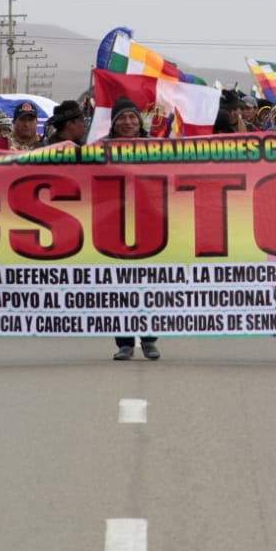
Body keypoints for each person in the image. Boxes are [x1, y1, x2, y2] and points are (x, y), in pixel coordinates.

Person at [104, 96, 161, 361]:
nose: (127, 123)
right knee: (118, 287)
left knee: (149, 284)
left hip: (151, 226)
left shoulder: (157, 150)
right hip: (112, 227)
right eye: (122, 118)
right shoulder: (100, 150)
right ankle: (124, 342)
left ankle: (149, 339)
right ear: (114, 124)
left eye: (131, 117)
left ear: (139, 121)